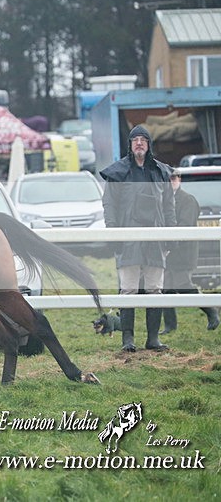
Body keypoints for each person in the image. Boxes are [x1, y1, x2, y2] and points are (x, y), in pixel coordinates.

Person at [100, 125, 176, 352]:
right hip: (128, 239)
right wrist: (114, 235)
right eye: (135, 140)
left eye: (144, 139)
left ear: (149, 144)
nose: (139, 143)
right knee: (129, 290)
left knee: (155, 289)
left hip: (156, 239)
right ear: (130, 145)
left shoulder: (161, 172)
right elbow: (109, 205)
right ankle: (128, 339)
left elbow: (169, 207)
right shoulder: (118, 172)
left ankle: (153, 339)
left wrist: (170, 237)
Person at [161, 168, 220, 333]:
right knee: (166, 287)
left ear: (179, 180)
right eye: (168, 179)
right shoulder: (163, 200)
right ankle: (170, 326)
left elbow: (185, 227)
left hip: (183, 252)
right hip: (168, 250)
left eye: (174, 178)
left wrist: (170, 246)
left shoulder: (188, 200)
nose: (171, 181)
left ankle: (211, 310)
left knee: (183, 284)